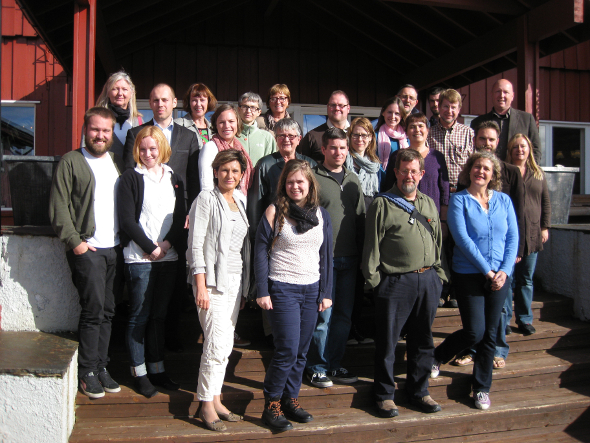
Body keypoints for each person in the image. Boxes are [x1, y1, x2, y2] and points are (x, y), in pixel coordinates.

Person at [363, 148, 448, 418]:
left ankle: (419, 391)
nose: (408, 176)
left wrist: (439, 276)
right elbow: (371, 248)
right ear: (396, 172)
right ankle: (385, 396)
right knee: (388, 343)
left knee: (423, 340)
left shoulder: (429, 204)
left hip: (428, 281)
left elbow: (438, 242)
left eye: (414, 171)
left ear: (422, 174)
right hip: (395, 282)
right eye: (403, 170)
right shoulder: (383, 203)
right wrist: (376, 282)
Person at [431, 151, 519, 411]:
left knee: (491, 334)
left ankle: (481, 387)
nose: (481, 171)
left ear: (493, 175)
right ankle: (438, 355)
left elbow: (513, 237)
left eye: (487, 169)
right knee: (475, 331)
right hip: (469, 274)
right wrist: (487, 272)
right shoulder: (460, 200)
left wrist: (504, 271)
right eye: (477, 167)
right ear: (469, 170)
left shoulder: (504, 200)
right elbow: (462, 239)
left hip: (500, 277)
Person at [49, 107, 123, 399]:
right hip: (88, 248)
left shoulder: (115, 162)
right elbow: (58, 207)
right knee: (93, 311)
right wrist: (75, 242)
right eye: (95, 129)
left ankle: (101, 366)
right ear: (85, 129)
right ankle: (87, 372)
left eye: (106, 131)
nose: (100, 135)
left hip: (113, 248)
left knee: (108, 311)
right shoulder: (72, 161)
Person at [254, 159, 333, 432]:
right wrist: (262, 290)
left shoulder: (322, 215)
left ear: (309, 184)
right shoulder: (274, 212)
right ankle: (272, 404)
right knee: (286, 349)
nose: (295, 186)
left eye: (300, 181)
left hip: (311, 289)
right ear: (283, 185)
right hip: (282, 287)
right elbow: (260, 253)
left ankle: (291, 399)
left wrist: (326, 292)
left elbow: (326, 257)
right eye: (290, 182)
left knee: (301, 352)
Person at [124, 83, 200, 353]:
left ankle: (170, 336)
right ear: (150, 103)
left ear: (175, 102)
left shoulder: (188, 137)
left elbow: (193, 180)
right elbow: (128, 183)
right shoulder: (135, 135)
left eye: (165, 99)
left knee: (175, 284)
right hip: (144, 229)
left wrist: (190, 213)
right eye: (155, 100)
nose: (160, 104)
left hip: (177, 223)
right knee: (143, 301)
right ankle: (140, 350)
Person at [117, 126, 185, 397]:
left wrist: (166, 245)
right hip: (140, 259)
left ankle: (157, 369)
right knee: (139, 316)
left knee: (158, 316)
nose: (148, 154)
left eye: (153, 148)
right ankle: (139, 372)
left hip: (168, 257)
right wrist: (150, 248)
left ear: (162, 149)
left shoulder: (174, 178)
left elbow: (180, 218)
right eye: (143, 149)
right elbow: (127, 220)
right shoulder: (130, 178)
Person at [187, 149, 251, 432]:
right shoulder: (205, 199)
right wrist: (200, 285)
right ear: (215, 172)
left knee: (225, 345)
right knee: (214, 344)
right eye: (225, 170)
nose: (230, 175)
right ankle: (205, 404)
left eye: (235, 171)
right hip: (211, 282)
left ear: (241, 175)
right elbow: (196, 245)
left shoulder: (240, 200)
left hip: (234, 282)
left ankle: (217, 398)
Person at [306, 127, 365, 388]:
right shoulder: (314, 178)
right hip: (323, 261)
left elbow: (361, 219)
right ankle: (316, 366)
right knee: (323, 317)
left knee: (343, 316)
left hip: (350, 259)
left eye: (343, 148)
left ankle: (334, 363)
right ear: (324, 149)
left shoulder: (353, 180)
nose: (338, 152)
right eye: (333, 148)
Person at [506, 134, 551, 335]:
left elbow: (546, 202)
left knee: (526, 278)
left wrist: (544, 227)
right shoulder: (505, 172)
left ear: (529, 149)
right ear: (510, 150)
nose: (519, 150)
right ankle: (504, 319)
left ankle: (524, 319)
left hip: (532, 234)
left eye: (523, 146)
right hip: (510, 234)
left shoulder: (538, 173)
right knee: (508, 278)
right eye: (515, 147)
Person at [345, 117, 382, 345]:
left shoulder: (376, 166)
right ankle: (344, 331)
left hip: (367, 224)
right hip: (347, 224)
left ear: (370, 139)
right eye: (356, 134)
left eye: (364, 135)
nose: (360, 139)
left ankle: (355, 327)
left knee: (359, 280)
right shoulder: (343, 160)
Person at [470, 79, 541, 163]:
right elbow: (471, 150)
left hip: (517, 174)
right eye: (498, 91)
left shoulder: (526, 119)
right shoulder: (478, 122)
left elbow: (536, 150)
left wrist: (526, 173)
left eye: (506, 92)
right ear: (492, 94)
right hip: (488, 173)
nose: (501, 95)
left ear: (512, 96)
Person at [199, 104, 254, 197]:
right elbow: (206, 186)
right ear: (216, 125)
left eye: (231, 121)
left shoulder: (240, 148)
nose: (227, 126)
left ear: (237, 122)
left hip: (240, 203)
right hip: (218, 203)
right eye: (222, 122)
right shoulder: (210, 148)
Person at [427, 89, 474, 193]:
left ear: (459, 109)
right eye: (446, 106)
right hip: (436, 191)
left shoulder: (468, 133)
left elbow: (474, 163)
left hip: (462, 191)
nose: (449, 111)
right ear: (439, 107)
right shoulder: (428, 134)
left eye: (453, 107)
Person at [88, 71, 142, 158]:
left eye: (124, 89)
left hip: (130, 170)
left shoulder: (138, 121)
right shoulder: (95, 119)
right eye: (115, 89)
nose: (120, 93)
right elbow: (86, 148)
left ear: (131, 93)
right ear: (108, 92)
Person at [298, 90, 351, 162]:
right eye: (333, 105)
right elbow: (301, 166)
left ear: (348, 108)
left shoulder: (357, 136)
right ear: (327, 107)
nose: (337, 108)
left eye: (341, 105)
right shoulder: (312, 136)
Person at [236, 91, 278, 165]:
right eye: (245, 107)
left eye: (253, 108)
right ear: (239, 110)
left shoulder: (267, 138)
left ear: (259, 112)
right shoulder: (231, 135)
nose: (248, 111)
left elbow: (272, 166)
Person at [174, 82, 217, 149]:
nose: (198, 104)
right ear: (189, 102)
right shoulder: (178, 125)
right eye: (194, 100)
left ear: (208, 102)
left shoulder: (214, 129)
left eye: (202, 100)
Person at [375, 97, 409, 170]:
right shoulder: (375, 137)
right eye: (389, 112)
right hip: (382, 178)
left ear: (401, 115)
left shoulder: (407, 137)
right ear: (383, 113)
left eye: (397, 113)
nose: (393, 117)